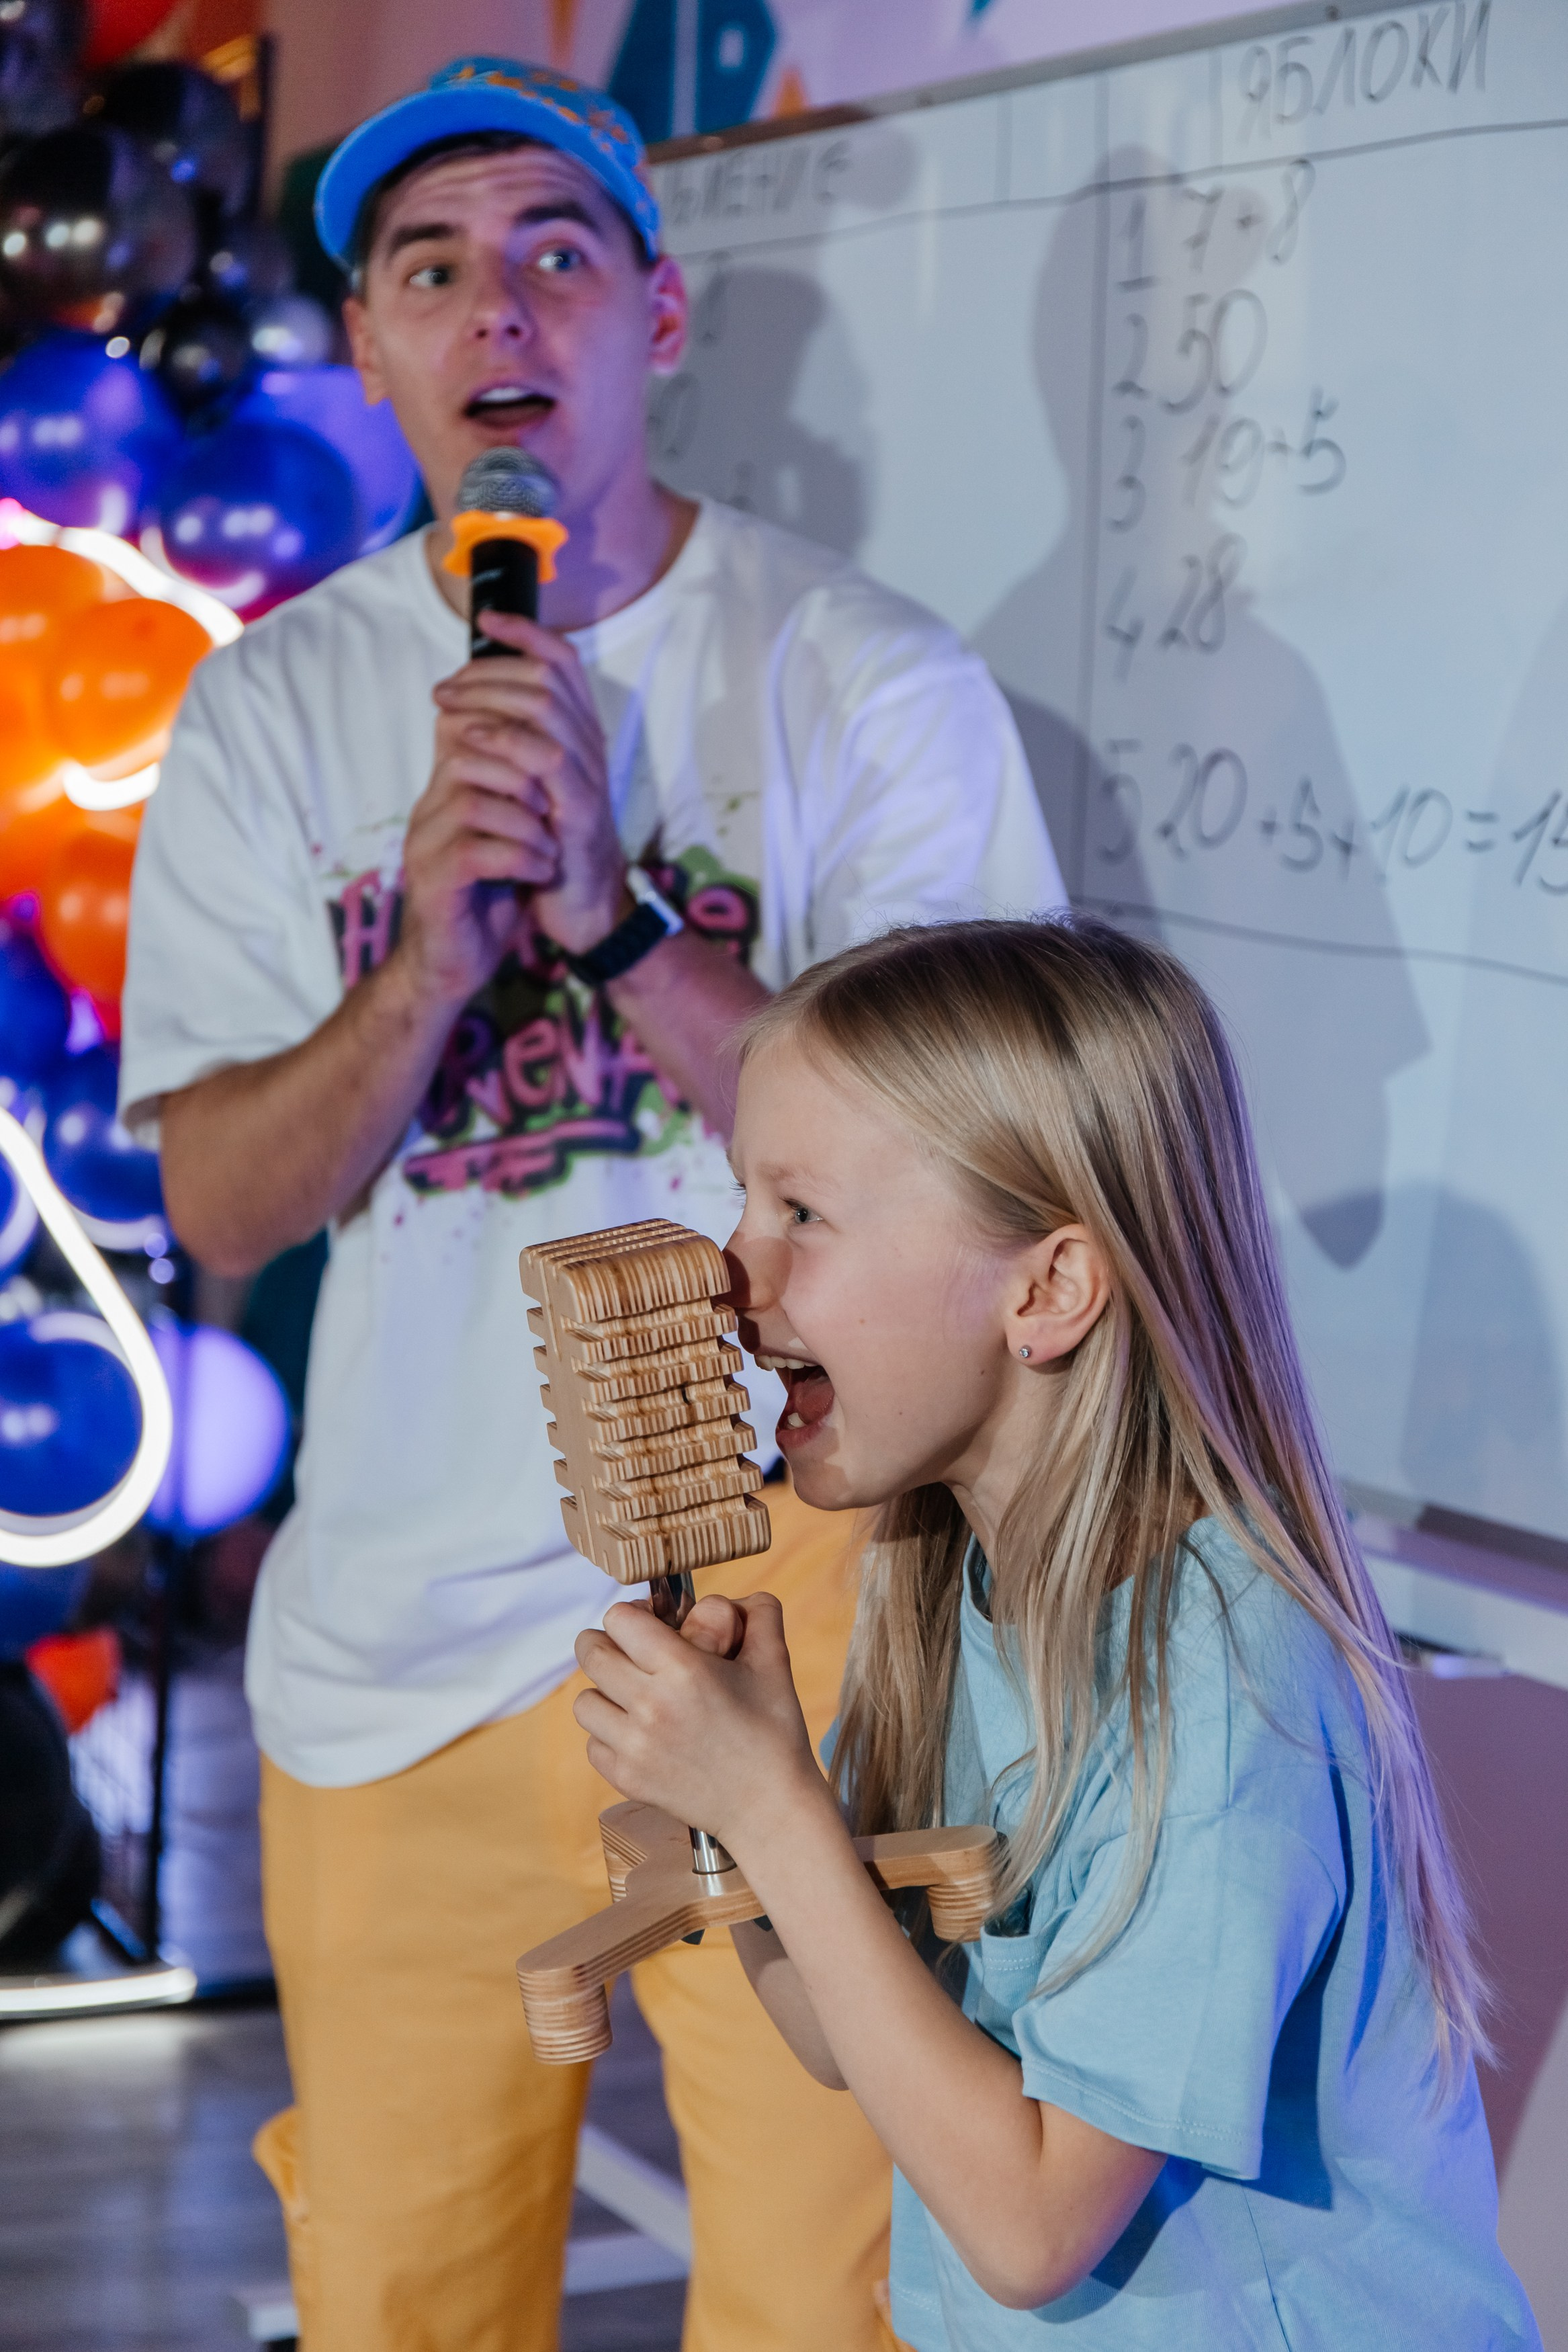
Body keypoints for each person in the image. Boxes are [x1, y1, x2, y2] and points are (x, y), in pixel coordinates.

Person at [118, 56, 1064, 2352]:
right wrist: (432, 956)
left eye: (556, 252)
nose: (494, 314)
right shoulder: (269, 719)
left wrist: (624, 922)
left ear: (656, 314)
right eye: (426, 270)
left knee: (832, 2294)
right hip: (399, 1650)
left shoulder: (865, 680)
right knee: (406, 2295)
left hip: (805, 1612)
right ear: (370, 351)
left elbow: (981, 1175)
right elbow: (229, 1205)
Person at [574, 917, 1542, 2351]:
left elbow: (1032, 2229)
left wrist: (774, 1814)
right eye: (742, 1201)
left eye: (801, 1212)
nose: (733, 1273)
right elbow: (849, 2037)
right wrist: (741, 1813)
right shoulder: (958, 1587)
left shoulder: (1226, 1691)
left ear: (1046, 1290)